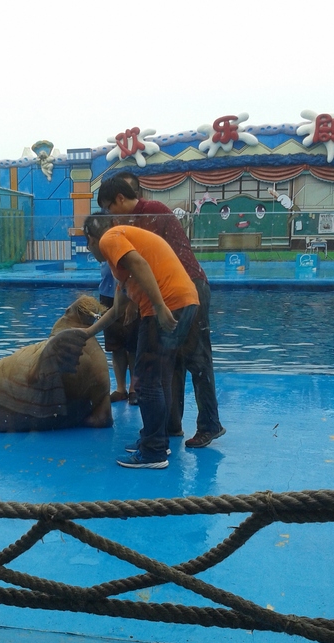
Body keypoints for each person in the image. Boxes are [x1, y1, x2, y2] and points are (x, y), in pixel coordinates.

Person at [97, 174, 225, 449]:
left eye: (109, 207)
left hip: (187, 286)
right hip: (171, 291)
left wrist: (144, 303)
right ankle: (171, 424)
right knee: (172, 359)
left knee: (197, 358)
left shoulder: (150, 212)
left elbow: (145, 263)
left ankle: (209, 424)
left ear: (120, 199)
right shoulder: (134, 219)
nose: (109, 215)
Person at [82, 214, 199, 469]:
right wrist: (87, 334)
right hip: (185, 300)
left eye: (88, 246)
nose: (92, 251)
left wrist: (159, 306)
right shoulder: (120, 259)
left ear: (90, 238)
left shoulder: (109, 239)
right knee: (157, 378)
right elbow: (116, 311)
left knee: (146, 382)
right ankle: (156, 439)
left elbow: (141, 264)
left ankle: (153, 452)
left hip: (167, 304)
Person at [98, 257, 138, 404]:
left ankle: (134, 388)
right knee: (115, 346)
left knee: (132, 345)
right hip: (107, 294)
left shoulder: (120, 240)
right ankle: (121, 388)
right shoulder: (104, 244)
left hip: (128, 294)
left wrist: (132, 301)